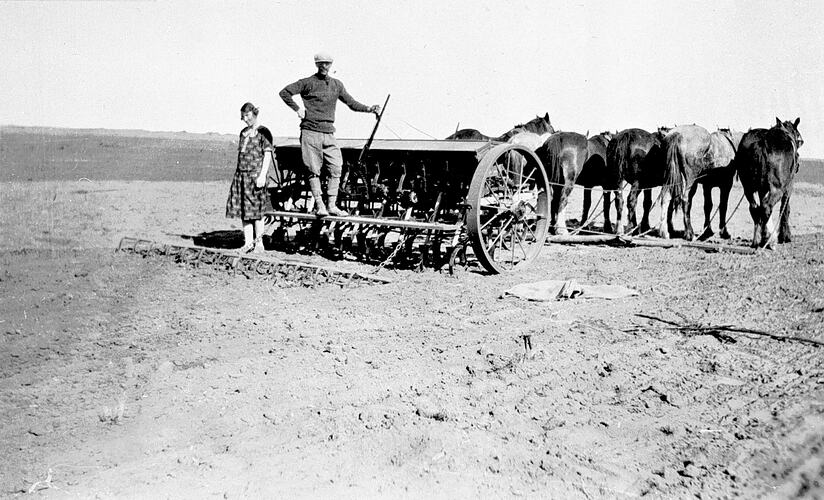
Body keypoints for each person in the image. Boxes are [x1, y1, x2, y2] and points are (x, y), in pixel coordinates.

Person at [279, 52, 381, 216]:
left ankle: (332, 206)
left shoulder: (336, 85)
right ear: (316, 64)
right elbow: (284, 92)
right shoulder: (307, 83)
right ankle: (320, 206)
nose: (324, 66)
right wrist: (297, 109)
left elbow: (351, 103)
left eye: (327, 63)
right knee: (313, 170)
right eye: (321, 63)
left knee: (336, 167)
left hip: (328, 133)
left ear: (331, 65)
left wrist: (369, 109)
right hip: (310, 132)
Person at [226, 102, 274, 253]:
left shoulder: (263, 132)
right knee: (244, 212)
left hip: (255, 177)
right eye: (243, 116)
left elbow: (267, 155)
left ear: (254, 114)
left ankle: (259, 244)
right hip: (242, 176)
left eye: (247, 115)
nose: (245, 119)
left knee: (257, 212)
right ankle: (247, 243)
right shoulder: (243, 133)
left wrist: (262, 176)